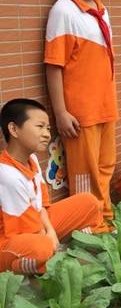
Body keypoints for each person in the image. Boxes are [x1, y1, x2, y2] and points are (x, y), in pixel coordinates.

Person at [44, 0, 116, 232]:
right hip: (81, 113)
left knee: (105, 167)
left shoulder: (100, 9)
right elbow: (53, 65)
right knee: (85, 174)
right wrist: (61, 112)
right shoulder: (64, 10)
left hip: (105, 106)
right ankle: (89, 228)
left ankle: (105, 218)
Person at [0, 99, 102, 274]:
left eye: (47, 128)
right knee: (41, 248)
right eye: (40, 127)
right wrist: (50, 239)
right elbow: (27, 230)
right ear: (14, 129)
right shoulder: (7, 174)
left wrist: (51, 231)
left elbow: (42, 207)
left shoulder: (31, 159)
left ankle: (69, 253)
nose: (47, 134)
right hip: (9, 241)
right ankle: (26, 277)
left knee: (90, 203)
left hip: (34, 226)